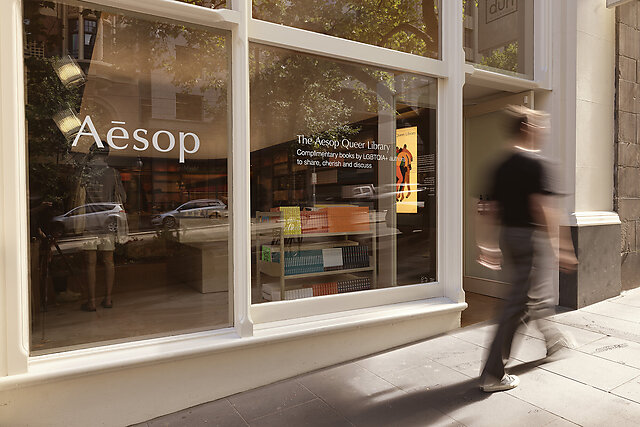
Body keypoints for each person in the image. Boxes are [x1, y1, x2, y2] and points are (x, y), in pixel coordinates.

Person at [479, 106, 578, 393]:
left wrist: (486, 243)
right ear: (525, 128)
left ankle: (554, 340)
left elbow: (487, 208)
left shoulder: (499, 166)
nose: (543, 131)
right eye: (539, 125)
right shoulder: (534, 164)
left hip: (509, 238)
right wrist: (563, 248)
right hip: (529, 238)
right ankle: (493, 374)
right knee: (518, 303)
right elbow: (544, 209)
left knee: (531, 296)